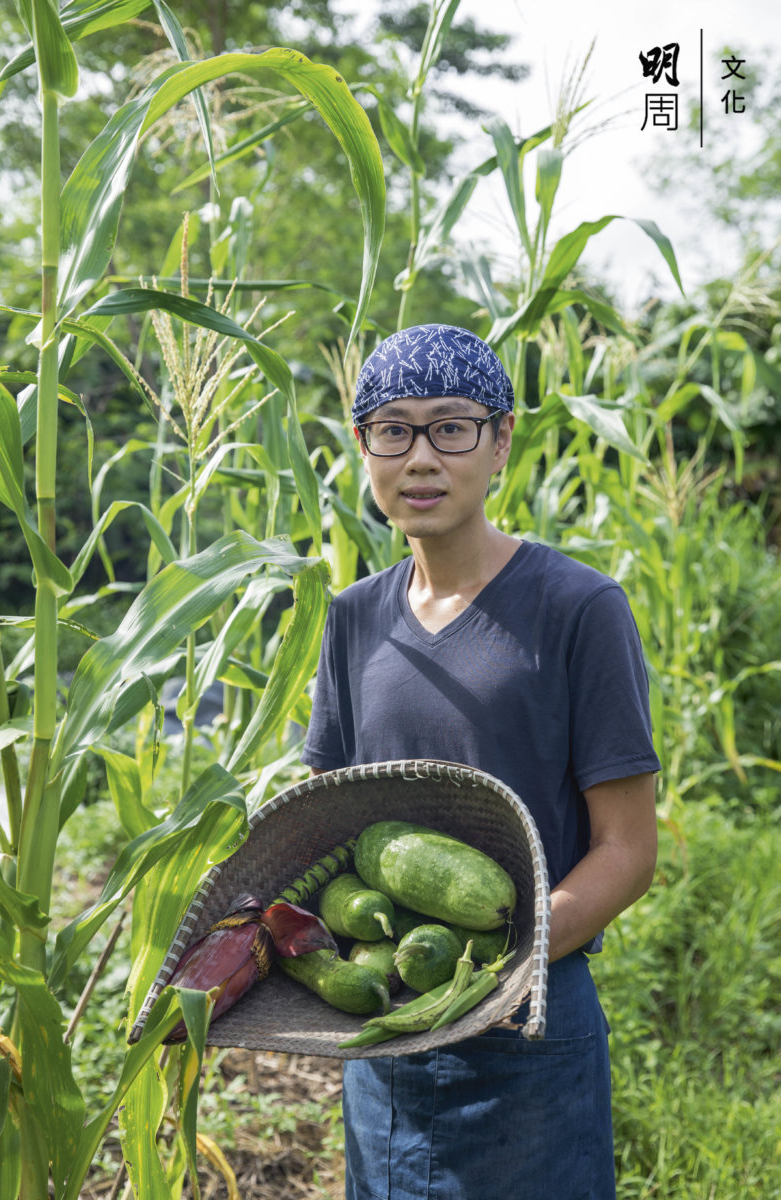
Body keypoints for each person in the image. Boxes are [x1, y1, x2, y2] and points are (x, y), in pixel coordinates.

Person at [301, 323, 660, 1200]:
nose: (420, 457)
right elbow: (330, 823)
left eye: (451, 427)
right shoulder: (352, 618)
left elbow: (627, 849)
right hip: (393, 1020)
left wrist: (503, 969)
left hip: (532, 1021)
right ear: (363, 448)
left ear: (500, 442)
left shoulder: (579, 608)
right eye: (393, 429)